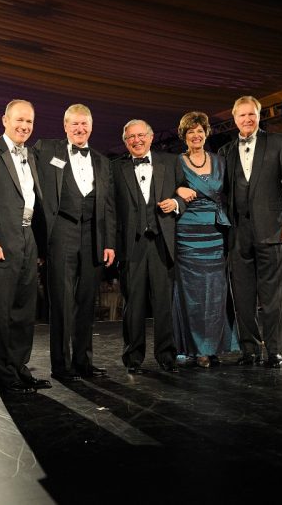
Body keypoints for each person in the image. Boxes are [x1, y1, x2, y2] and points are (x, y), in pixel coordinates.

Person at [0, 99, 51, 395]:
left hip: (27, 240)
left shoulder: (33, 155)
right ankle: (6, 378)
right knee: (0, 313)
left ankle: (20, 369)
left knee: (24, 311)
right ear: (4, 120)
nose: (24, 126)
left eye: (29, 121)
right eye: (19, 120)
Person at [31, 103, 116, 381]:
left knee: (86, 301)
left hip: (93, 236)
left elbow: (109, 206)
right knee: (61, 302)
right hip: (62, 234)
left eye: (84, 124)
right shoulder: (46, 149)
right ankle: (61, 365)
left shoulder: (103, 162)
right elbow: (16, 152)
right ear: (65, 126)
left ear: (91, 127)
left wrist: (109, 242)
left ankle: (83, 362)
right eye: (74, 124)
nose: (80, 129)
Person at [220, 96, 282, 368]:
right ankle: (249, 350)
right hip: (237, 235)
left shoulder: (279, 142)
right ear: (234, 119)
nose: (247, 120)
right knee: (242, 298)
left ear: (259, 115)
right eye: (242, 115)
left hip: (272, 230)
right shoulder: (226, 151)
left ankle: (274, 350)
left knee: (272, 297)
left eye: (251, 115)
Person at [111, 119, 185, 374]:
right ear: (125, 142)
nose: (136, 140)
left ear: (151, 138)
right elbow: (110, 209)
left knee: (164, 304)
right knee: (134, 305)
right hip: (131, 246)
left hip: (162, 243)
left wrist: (176, 203)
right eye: (131, 137)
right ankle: (133, 358)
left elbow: (185, 193)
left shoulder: (171, 162)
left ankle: (166, 356)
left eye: (141, 135)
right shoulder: (115, 169)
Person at [171, 112, 237, 368]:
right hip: (187, 235)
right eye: (190, 132)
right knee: (192, 295)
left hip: (216, 233)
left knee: (216, 293)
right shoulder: (176, 162)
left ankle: (214, 346)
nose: (196, 136)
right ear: (184, 136)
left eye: (200, 131)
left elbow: (230, 194)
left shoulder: (221, 161)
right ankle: (198, 349)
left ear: (206, 133)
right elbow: (165, 186)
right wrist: (178, 189)